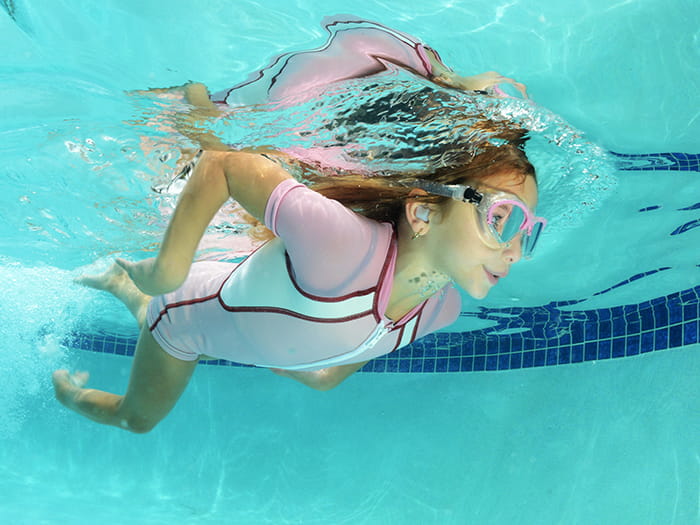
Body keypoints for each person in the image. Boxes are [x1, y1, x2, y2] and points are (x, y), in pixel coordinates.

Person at [52, 18, 545, 434]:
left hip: (233, 328)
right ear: (422, 212)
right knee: (138, 418)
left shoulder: (443, 307)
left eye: (527, 230)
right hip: (181, 321)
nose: (518, 252)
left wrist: (307, 366)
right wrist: (167, 271)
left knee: (209, 341)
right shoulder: (342, 248)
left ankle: (127, 287)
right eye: (503, 220)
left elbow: (337, 360)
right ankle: (70, 391)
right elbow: (224, 163)